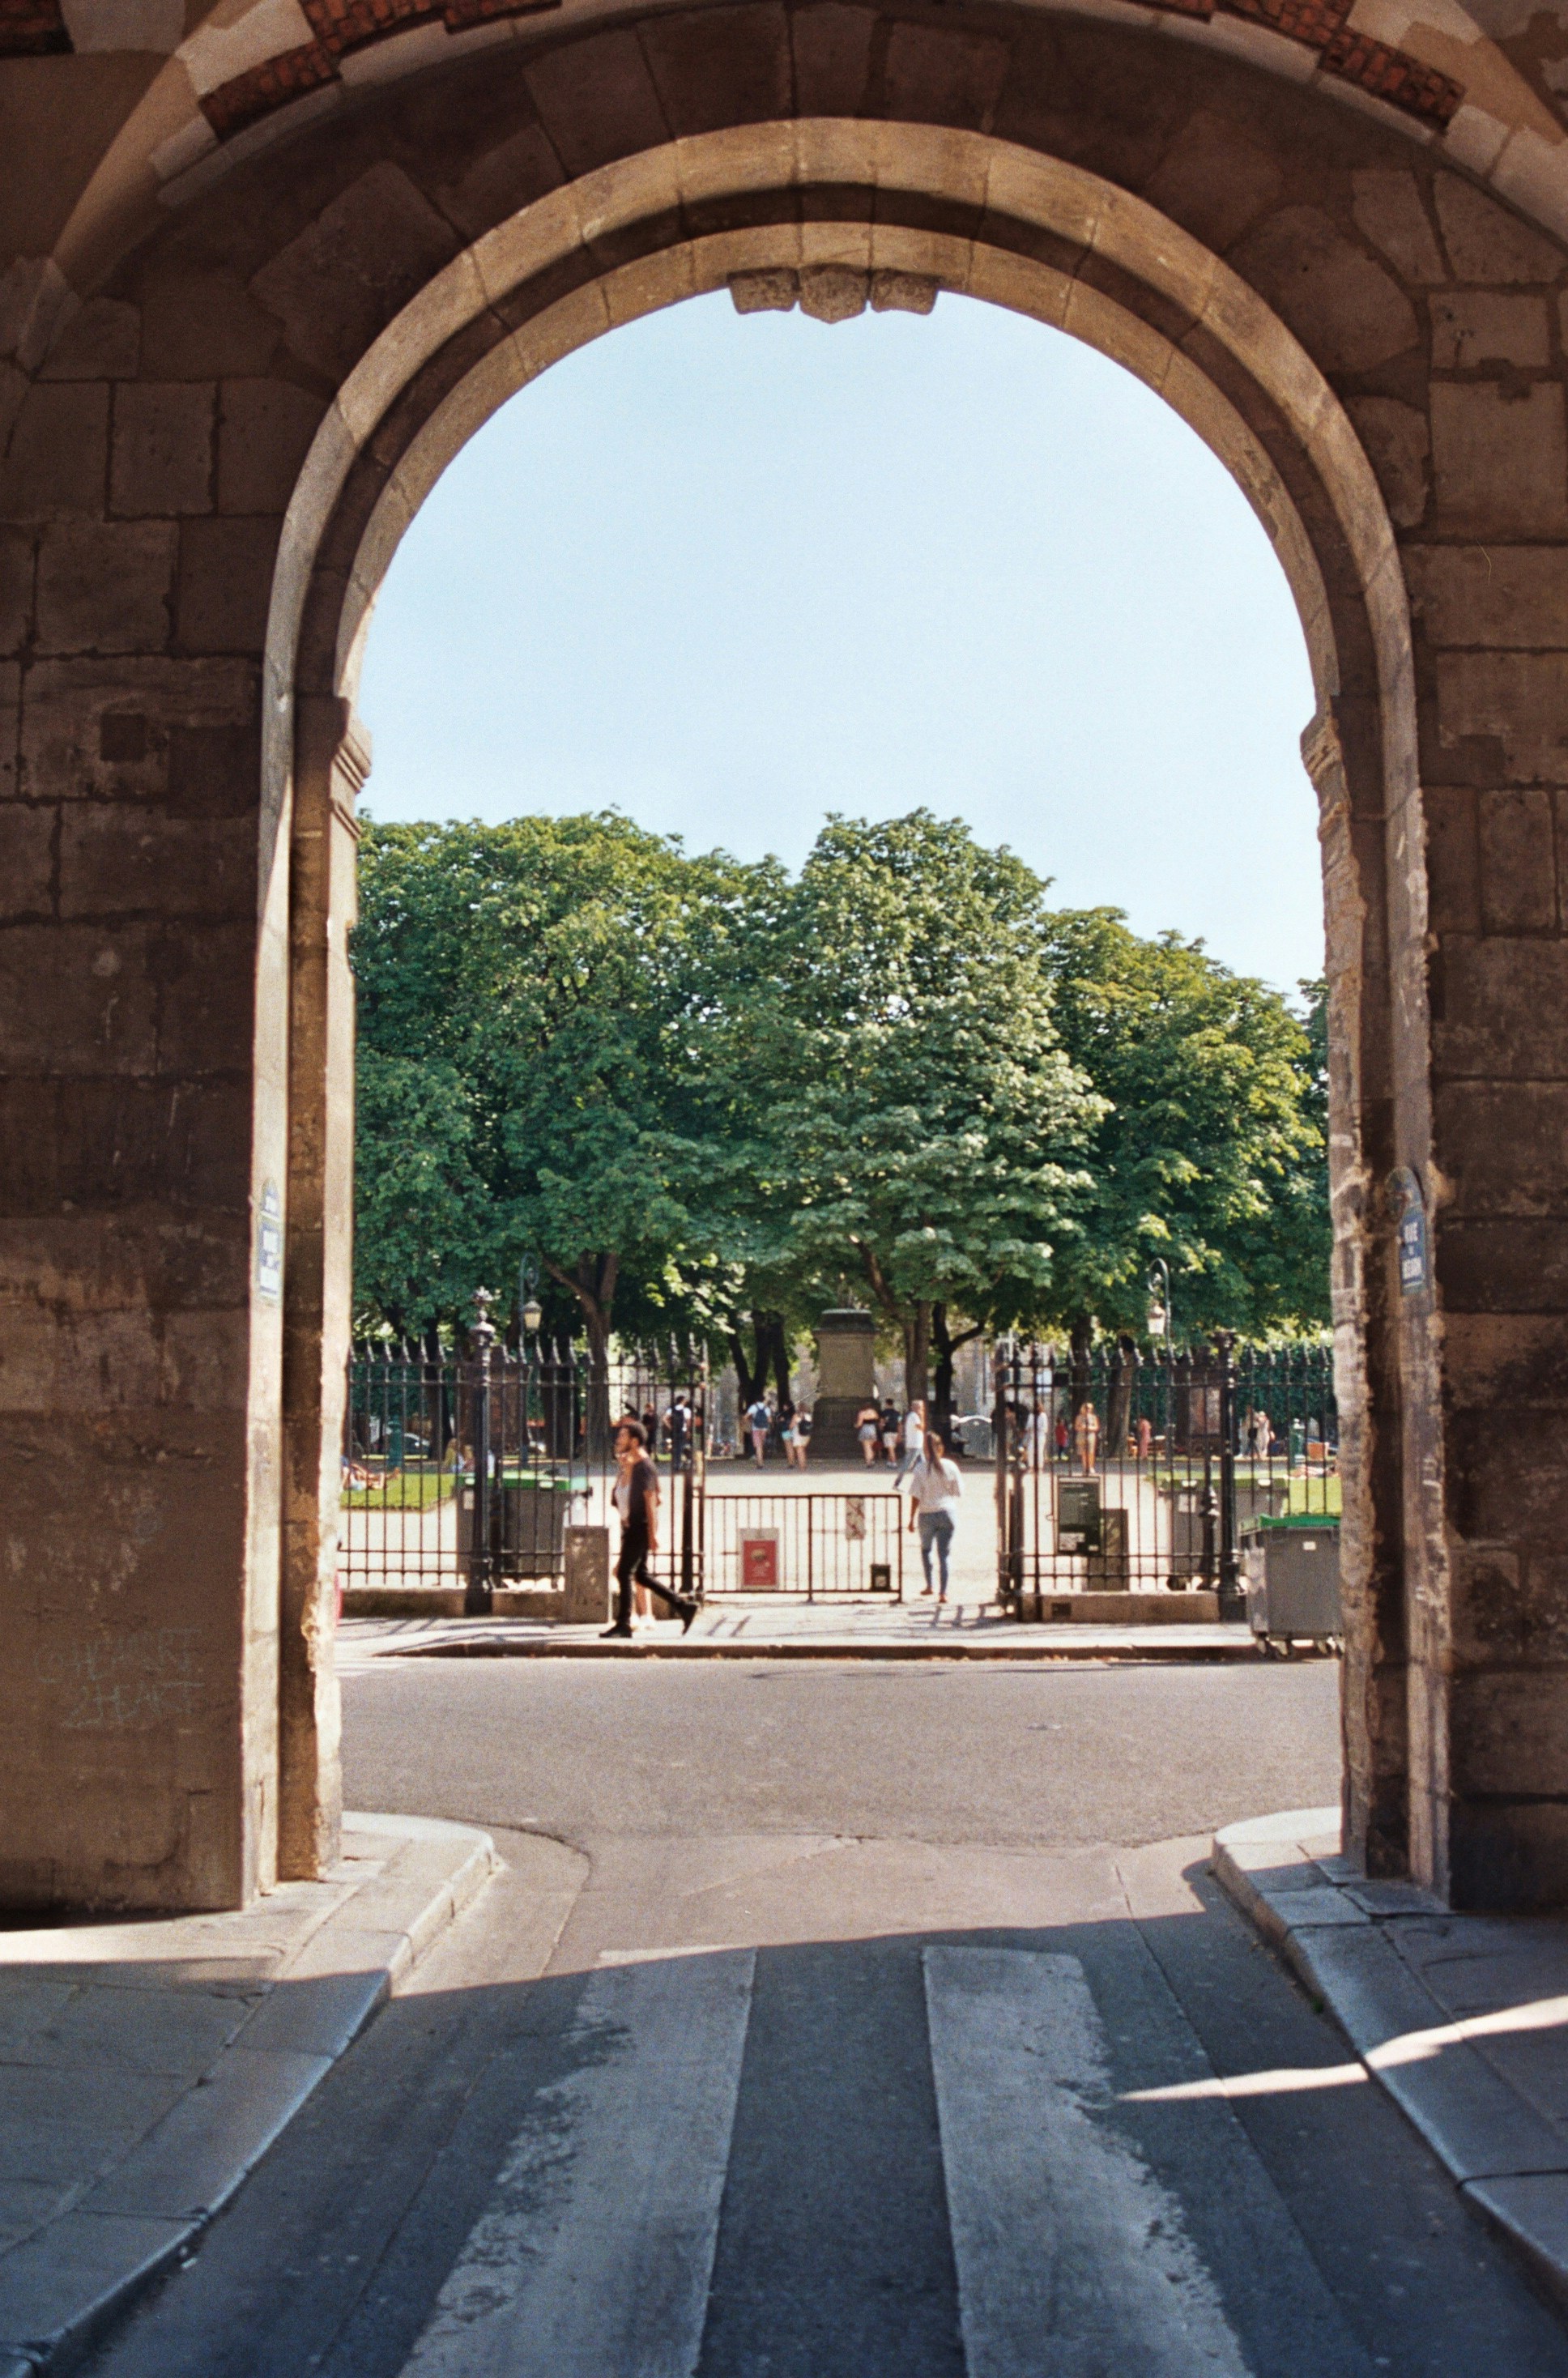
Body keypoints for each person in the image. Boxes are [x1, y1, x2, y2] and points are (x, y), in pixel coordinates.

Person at [603, 1420, 697, 1637]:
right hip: (633, 1527)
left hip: (640, 1527)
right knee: (641, 1575)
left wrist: (652, 1533)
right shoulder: (633, 1465)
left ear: (634, 1441)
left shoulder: (644, 1467)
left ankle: (624, 1623)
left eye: (623, 1436)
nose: (618, 1439)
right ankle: (684, 1607)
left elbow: (651, 1500)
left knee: (625, 1572)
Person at [905, 1429, 962, 1602]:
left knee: (926, 1550)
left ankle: (930, 1585)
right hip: (947, 1512)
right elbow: (958, 1491)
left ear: (926, 1449)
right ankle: (943, 1592)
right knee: (944, 1554)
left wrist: (911, 1518)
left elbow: (916, 1496)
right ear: (941, 1448)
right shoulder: (951, 1466)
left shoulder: (921, 1469)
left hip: (926, 1514)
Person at [894, 1400, 927, 1484]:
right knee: (908, 1464)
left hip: (918, 1444)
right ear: (917, 1408)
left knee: (923, 1464)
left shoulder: (912, 1416)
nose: (923, 1408)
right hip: (915, 1445)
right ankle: (898, 1482)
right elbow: (921, 1427)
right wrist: (922, 1417)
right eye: (921, 1407)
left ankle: (924, 1482)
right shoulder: (914, 1416)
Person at [1072, 1400, 1101, 1477]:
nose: (1088, 1410)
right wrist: (1083, 1428)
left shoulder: (1093, 1417)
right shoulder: (1079, 1417)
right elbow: (1076, 1427)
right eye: (1086, 1408)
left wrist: (1089, 1428)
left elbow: (1096, 1427)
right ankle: (1085, 1467)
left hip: (1091, 1435)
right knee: (1083, 1452)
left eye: (1090, 1408)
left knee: (1091, 1452)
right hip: (1082, 1435)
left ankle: (1091, 1467)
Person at [746, 1394, 771, 1467]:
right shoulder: (767, 1408)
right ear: (763, 1400)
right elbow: (770, 1420)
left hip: (756, 1428)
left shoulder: (753, 1407)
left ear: (756, 1400)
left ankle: (760, 1463)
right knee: (761, 1445)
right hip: (764, 1429)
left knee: (758, 1446)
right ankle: (761, 1461)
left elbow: (746, 1417)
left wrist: (750, 1420)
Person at [786, 1406, 812, 1470]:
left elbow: (791, 1426)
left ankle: (802, 1466)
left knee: (799, 1451)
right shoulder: (808, 1416)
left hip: (798, 1435)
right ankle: (804, 1464)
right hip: (807, 1435)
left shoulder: (796, 1415)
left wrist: (789, 1429)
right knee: (803, 1450)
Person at [855, 1401, 880, 1465]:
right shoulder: (874, 1412)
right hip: (873, 1429)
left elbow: (859, 1424)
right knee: (870, 1447)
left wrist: (855, 1425)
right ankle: (871, 1459)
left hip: (865, 1429)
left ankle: (869, 1462)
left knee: (867, 1447)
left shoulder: (862, 1413)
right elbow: (877, 1419)